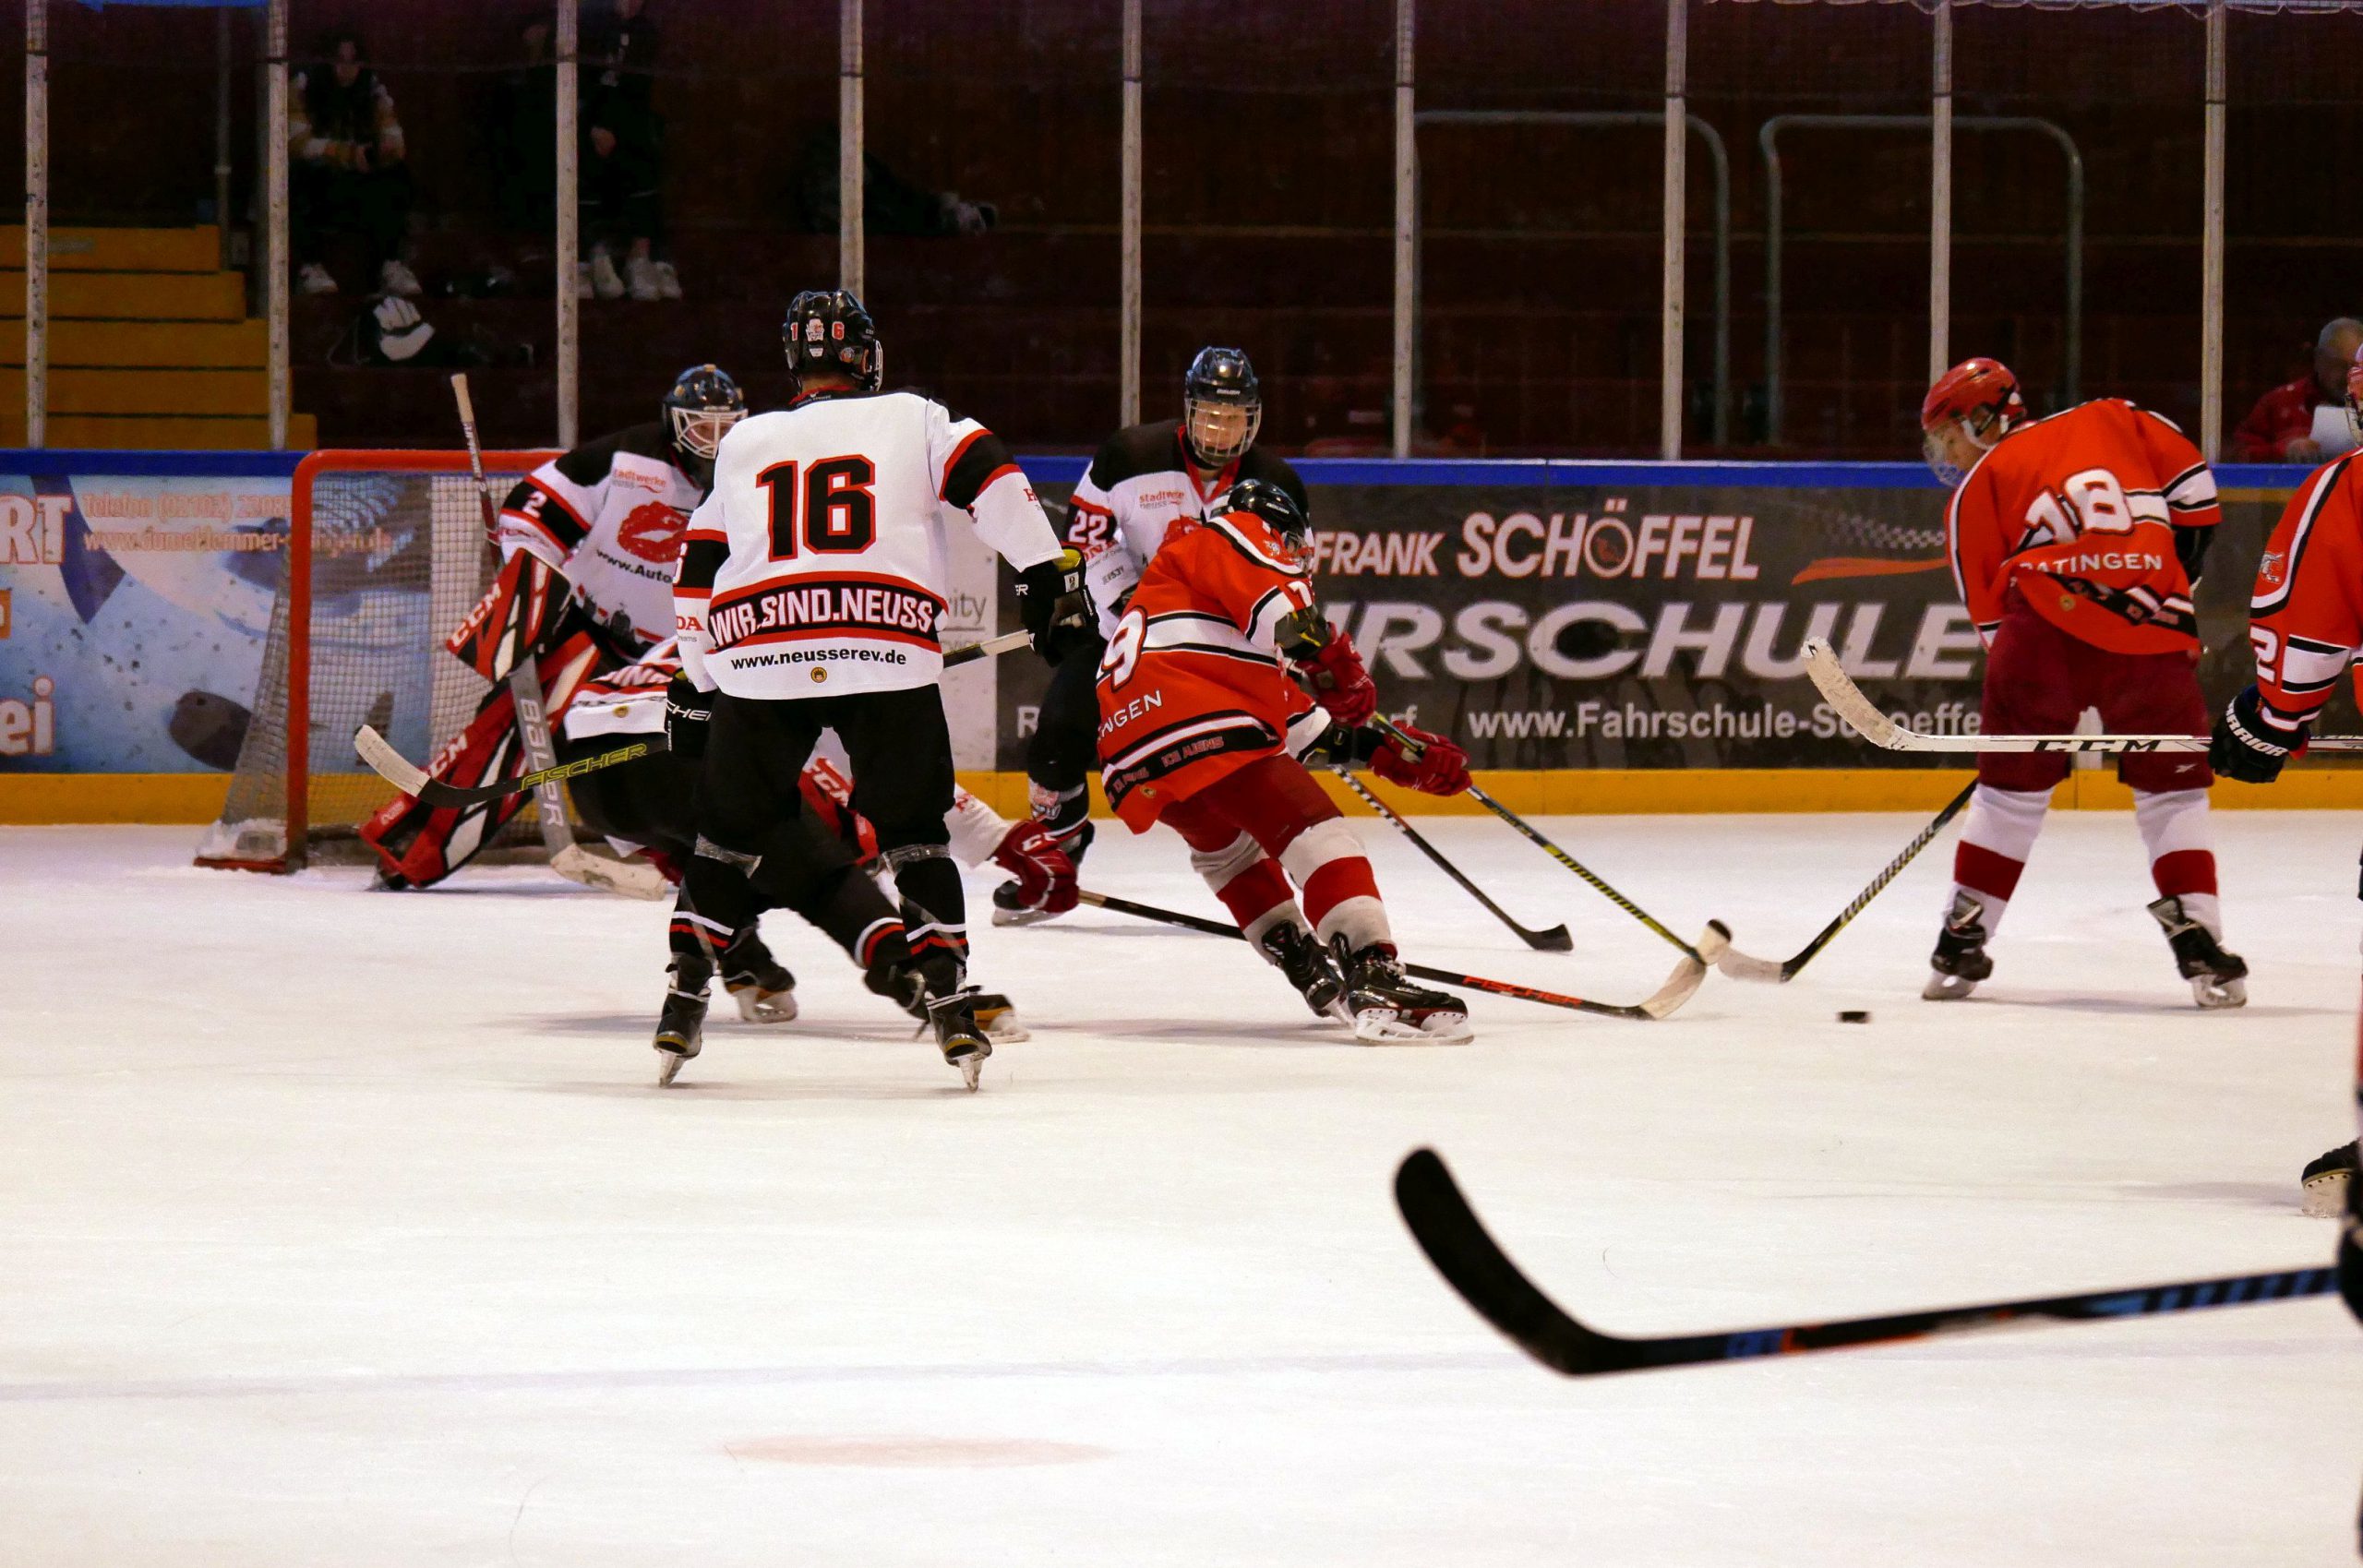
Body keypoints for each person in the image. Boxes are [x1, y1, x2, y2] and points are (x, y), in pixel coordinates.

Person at [660, 289, 1092, 1089]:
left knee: (728, 834)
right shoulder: (916, 416)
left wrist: (697, 674)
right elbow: (992, 476)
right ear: (867, 358)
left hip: (763, 652)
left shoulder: (746, 440)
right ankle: (950, 990)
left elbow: (698, 560)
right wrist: (1045, 572)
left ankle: (686, 982)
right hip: (883, 645)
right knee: (914, 833)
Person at [550, 641, 1071, 1078]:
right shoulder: (830, 655)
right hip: (684, 742)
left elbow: (679, 855)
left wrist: (745, 962)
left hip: (591, 776)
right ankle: (921, 983)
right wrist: (1000, 838)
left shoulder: (748, 630)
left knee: (727, 852)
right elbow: (899, 777)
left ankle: (727, 967)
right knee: (823, 878)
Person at [1917, 356, 2245, 1008]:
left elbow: (1990, 620)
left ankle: (1962, 936)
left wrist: (2029, 722)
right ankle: (2201, 942)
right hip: (2153, 623)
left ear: (1984, 418)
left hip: (2040, 628)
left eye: (1951, 436)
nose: (1950, 454)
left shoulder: (1983, 483)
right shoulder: (2118, 416)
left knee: (2008, 797)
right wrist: (2152, 591)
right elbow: (2198, 504)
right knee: (2171, 795)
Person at [1095, 478, 1473, 1043]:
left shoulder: (1189, 607)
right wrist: (1331, 660)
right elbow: (1283, 605)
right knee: (1319, 833)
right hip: (1193, 713)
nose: (1291, 558)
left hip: (1130, 753)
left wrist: (1388, 750)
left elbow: (1300, 727)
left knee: (1229, 853)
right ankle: (1373, 971)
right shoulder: (1231, 531)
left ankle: (1299, 954)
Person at [359, 364, 744, 889]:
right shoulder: (625, 458)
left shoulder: (752, 477)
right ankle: (412, 848)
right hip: (588, 636)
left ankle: (695, 861)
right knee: (505, 733)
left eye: (727, 428)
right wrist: (529, 585)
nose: (716, 443)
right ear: (676, 424)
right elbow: (530, 512)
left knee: (667, 760)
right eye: (703, 428)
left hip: (677, 659)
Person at [997, 346, 1308, 925]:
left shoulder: (1277, 481)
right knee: (1058, 735)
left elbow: (1291, 573)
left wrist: (1295, 647)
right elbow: (1086, 537)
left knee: (1257, 757)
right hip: (1127, 629)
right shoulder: (1128, 455)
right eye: (1212, 415)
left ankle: (1294, 864)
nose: (1221, 430)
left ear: (1255, 418)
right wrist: (1120, 598)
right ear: (1188, 412)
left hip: (1222, 646)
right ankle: (1059, 853)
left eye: (1235, 417)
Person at [290, 30, 419, 298]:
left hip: (355, 186)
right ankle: (310, 267)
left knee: (396, 176)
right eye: (340, 60)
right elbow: (297, 143)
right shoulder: (303, 86)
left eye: (354, 60)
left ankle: (391, 265)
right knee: (298, 176)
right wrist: (346, 153)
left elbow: (396, 140)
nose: (347, 68)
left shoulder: (372, 91)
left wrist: (382, 152)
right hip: (318, 188)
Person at [580, 0, 677, 301]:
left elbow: (637, 91)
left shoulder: (644, 32)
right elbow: (571, 85)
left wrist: (612, 126)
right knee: (580, 156)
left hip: (620, 120)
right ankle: (587, 259)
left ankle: (641, 256)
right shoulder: (585, 21)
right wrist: (592, 125)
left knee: (644, 143)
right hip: (580, 117)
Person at [2231, 317, 2363, 463]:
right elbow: (2238, 454)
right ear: (2318, 359)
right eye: (2339, 365)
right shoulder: (2280, 402)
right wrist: (2284, 450)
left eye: (2358, 367)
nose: (2350, 375)